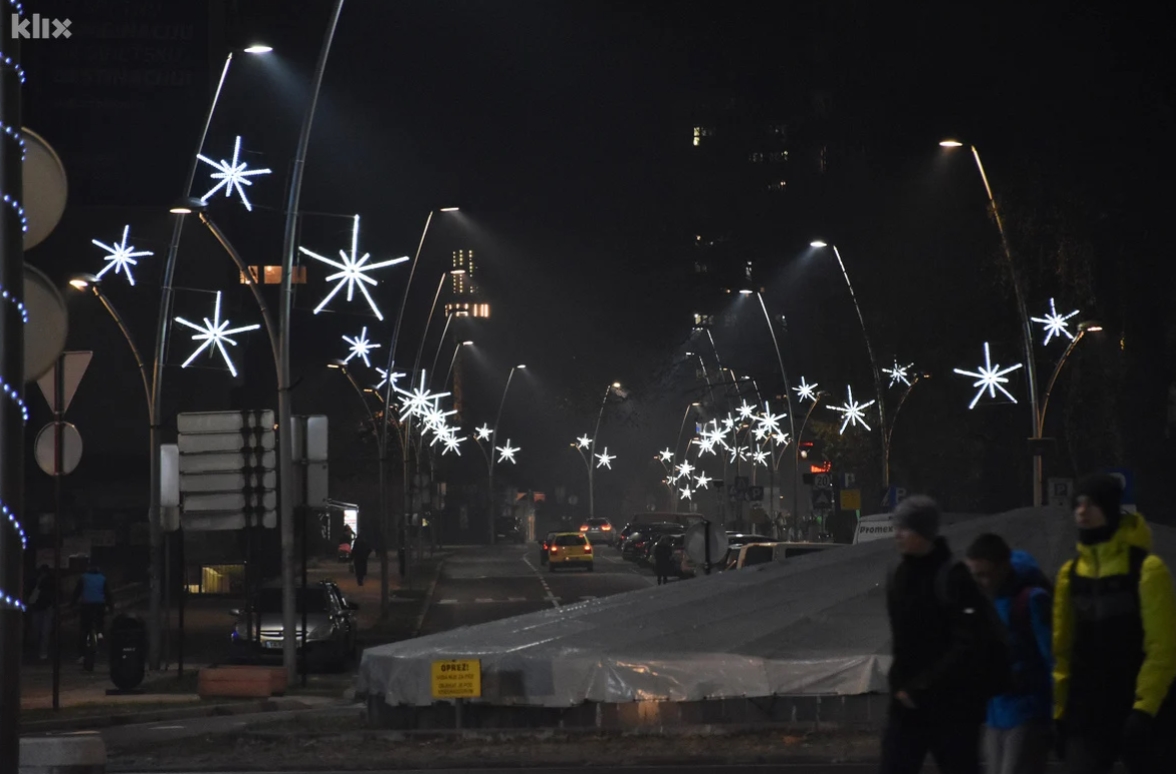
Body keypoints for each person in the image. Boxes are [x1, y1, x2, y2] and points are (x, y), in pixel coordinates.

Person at [1053, 474, 1176, 774]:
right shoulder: (1071, 575)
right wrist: (1059, 711)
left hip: (1138, 708)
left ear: (1109, 508)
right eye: (1077, 504)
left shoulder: (1146, 570)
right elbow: (1062, 650)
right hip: (1088, 712)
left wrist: (1145, 707)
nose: (1082, 510)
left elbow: (1162, 648)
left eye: (1091, 504)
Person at [881, 495, 1000, 774]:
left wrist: (922, 686)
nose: (897, 534)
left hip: (951, 704)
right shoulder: (898, 574)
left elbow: (968, 644)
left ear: (923, 532)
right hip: (908, 701)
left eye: (905, 528)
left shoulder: (954, 577)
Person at [965, 533, 1054, 774]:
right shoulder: (985, 601)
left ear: (1003, 567)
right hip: (995, 712)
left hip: (1027, 711)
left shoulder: (1032, 600)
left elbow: (1053, 659)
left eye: (985, 574)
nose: (980, 582)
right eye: (975, 575)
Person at [71, 562, 113, 659]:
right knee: (99, 623)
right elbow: (108, 594)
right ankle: (100, 635)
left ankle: (81, 653)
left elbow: (77, 592)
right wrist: (110, 607)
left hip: (86, 606)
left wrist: (72, 604)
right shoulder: (102, 578)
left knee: (84, 628)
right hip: (99, 605)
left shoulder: (83, 577)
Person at [26, 564, 55, 660]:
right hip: (47, 607)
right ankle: (43, 652)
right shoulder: (51, 581)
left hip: (37, 607)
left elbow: (30, 592)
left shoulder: (35, 580)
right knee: (45, 632)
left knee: (37, 630)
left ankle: (38, 651)